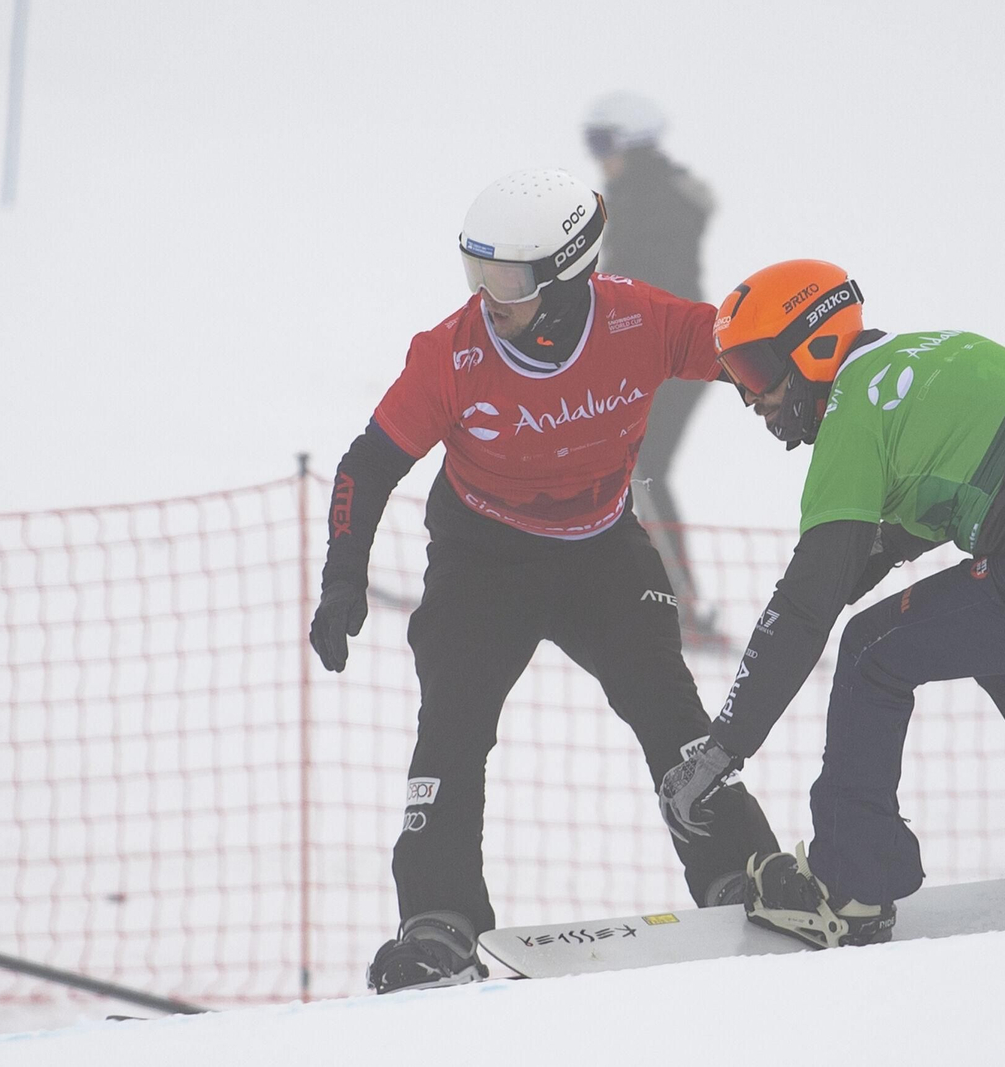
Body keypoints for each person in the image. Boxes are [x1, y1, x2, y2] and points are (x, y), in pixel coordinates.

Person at [309, 168, 778, 992]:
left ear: (564, 279)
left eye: (508, 280)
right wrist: (343, 576)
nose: (486, 297)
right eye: (476, 271)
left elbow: (747, 347)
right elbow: (367, 463)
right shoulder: (451, 353)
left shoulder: (638, 319)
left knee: (668, 708)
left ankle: (738, 874)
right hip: (482, 559)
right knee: (452, 724)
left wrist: (826, 374)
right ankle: (439, 920)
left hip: (601, 552)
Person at [656, 259, 1005, 947]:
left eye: (756, 369)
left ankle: (849, 889)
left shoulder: (855, 410)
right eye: (735, 374)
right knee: (997, 638)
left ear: (813, 343)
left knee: (872, 650)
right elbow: (919, 517)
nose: (749, 398)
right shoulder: (943, 351)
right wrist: (845, 573)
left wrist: (722, 749)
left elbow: (806, 606)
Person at [583, 92, 719, 639]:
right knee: (612, 466)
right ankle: (610, 588)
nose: (597, 156)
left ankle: (682, 605)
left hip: (671, 358)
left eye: (600, 143)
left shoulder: (645, 202)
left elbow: (628, 283)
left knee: (641, 470)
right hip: (664, 354)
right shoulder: (648, 194)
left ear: (630, 143)